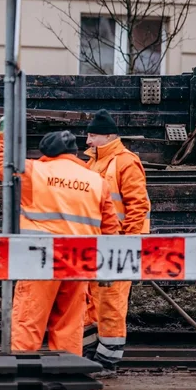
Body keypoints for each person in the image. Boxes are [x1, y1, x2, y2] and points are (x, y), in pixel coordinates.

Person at [0, 126, 120, 355]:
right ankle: (67, 375)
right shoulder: (96, 180)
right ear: (74, 153)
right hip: (80, 262)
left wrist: (3, 135)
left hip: (41, 260)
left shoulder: (34, 171)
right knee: (69, 324)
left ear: (46, 153)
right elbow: (110, 227)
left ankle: (23, 370)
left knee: (29, 320)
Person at [83, 109, 151, 375]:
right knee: (89, 303)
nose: (87, 141)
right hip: (95, 246)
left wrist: (130, 244)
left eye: (92, 135)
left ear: (108, 136)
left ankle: (106, 362)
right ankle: (90, 357)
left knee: (111, 303)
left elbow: (138, 204)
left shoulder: (125, 162)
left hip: (118, 247)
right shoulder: (93, 162)